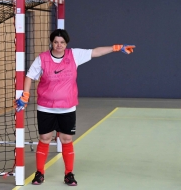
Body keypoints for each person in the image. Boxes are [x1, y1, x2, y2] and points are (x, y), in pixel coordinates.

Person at [15, 29, 135, 186]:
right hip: (46, 107)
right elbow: (30, 76)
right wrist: (25, 94)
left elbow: (96, 52)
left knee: (67, 139)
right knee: (45, 138)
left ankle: (69, 174)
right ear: (51, 42)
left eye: (62, 42)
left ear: (66, 44)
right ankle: (40, 173)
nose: (59, 45)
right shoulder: (42, 59)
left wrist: (116, 47)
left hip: (67, 108)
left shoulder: (74, 55)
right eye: (56, 42)